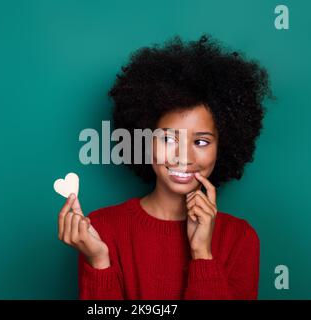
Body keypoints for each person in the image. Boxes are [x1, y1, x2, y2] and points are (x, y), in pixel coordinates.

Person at [58, 34, 273, 299]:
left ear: (223, 147)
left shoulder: (240, 239)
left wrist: (202, 254)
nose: (183, 156)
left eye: (202, 141)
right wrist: (100, 262)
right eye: (169, 138)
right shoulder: (100, 231)